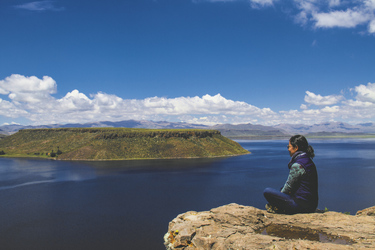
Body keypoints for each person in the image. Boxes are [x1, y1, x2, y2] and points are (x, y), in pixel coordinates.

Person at [263, 135, 318, 214]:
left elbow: (288, 188)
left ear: (296, 148)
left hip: (301, 205)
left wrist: (276, 200)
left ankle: (278, 208)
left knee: (267, 191)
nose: (288, 149)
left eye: (289, 147)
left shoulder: (298, 165)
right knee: (280, 190)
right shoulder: (307, 160)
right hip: (311, 205)